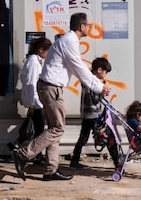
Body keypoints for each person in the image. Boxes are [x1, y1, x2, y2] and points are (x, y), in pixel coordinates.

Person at [11, 13, 111, 181]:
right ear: (82, 27)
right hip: (52, 89)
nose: (90, 28)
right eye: (89, 25)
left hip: (50, 88)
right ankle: (22, 154)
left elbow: (81, 69)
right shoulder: (69, 42)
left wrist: (98, 83)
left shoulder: (68, 41)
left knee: (54, 129)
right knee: (57, 129)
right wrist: (100, 87)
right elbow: (80, 69)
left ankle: (51, 170)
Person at [69, 56, 117, 169]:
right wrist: (102, 89)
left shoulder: (87, 79)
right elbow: (95, 99)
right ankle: (117, 161)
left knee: (83, 137)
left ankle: (74, 160)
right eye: (105, 72)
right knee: (106, 136)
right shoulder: (93, 82)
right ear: (99, 70)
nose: (105, 75)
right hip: (93, 114)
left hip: (86, 114)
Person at [9, 37, 52, 151]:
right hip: (35, 101)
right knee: (39, 129)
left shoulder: (34, 60)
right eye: (47, 51)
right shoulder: (33, 62)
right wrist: (33, 104)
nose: (48, 54)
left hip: (34, 100)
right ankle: (35, 154)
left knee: (32, 127)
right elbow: (32, 83)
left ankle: (16, 144)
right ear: (41, 50)